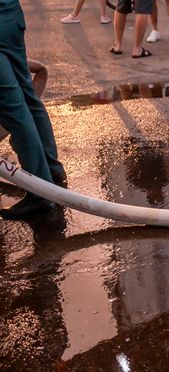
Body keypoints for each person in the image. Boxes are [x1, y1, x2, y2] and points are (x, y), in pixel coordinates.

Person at [0, 0, 66, 219]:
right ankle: (52, 170)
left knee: (13, 109)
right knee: (27, 97)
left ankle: (40, 192)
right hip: (9, 15)